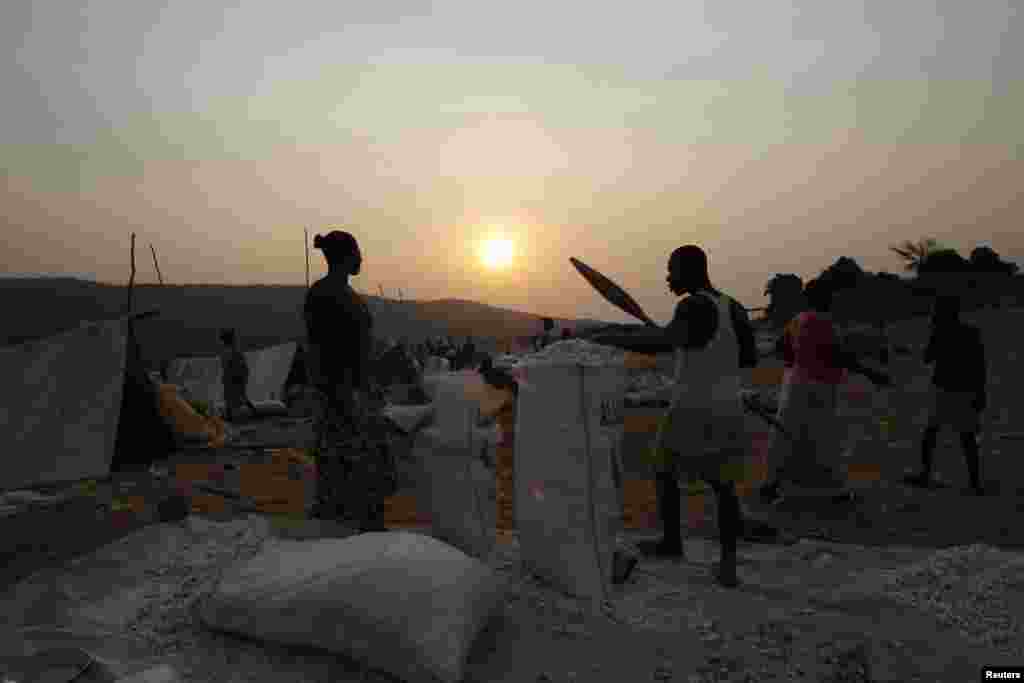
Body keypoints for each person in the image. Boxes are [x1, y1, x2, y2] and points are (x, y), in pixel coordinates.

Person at [592, 245, 759, 588]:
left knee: (664, 469)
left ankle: (671, 543)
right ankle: (728, 565)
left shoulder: (692, 304)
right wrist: (709, 361)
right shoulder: (734, 307)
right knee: (723, 485)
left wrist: (605, 339)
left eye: (672, 270)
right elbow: (749, 357)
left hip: (692, 405)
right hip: (730, 404)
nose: (668, 278)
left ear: (690, 269)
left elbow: (663, 343)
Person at [758, 278, 890, 504]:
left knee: (786, 435)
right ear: (825, 298)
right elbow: (838, 355)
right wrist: (871, 373)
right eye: (833, 296)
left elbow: (782, 348)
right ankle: (833, 490)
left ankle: (772, 484)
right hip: (818, 387)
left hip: (796, 384)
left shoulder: (799, 320)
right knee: (824, 438)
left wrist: (796, 365)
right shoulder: (822, 322)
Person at [303, 230, 396, 532]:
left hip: (349, 390)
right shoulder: (327, 295)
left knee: (346, 464)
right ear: (346, 256)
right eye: (358, 252)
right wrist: (344, 393)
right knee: (350, 463)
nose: (362, 258)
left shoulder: (336, 294)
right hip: (341, 393)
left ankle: (347, 527)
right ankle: (351, 534)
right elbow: (323, 348)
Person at [904, 295, 986, 495]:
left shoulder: (939, 333)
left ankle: (925, 474)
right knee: (967, 438)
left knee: (931, 433)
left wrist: (933, 332)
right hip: (967, 390)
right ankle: (975, 483)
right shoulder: (971, 333)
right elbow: (980, 365)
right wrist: (981, 392)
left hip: (942, 389)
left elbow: (927, 358)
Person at [219, 328, 257, 422]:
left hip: (234, 379)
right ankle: (251, 412)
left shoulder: (232, 352)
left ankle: (253, 412)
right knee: (233, 399)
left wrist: (237, 378)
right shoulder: (230, 352)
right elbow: (240, 367)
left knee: (236, 398)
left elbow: (240, 367)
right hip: (232, 379)